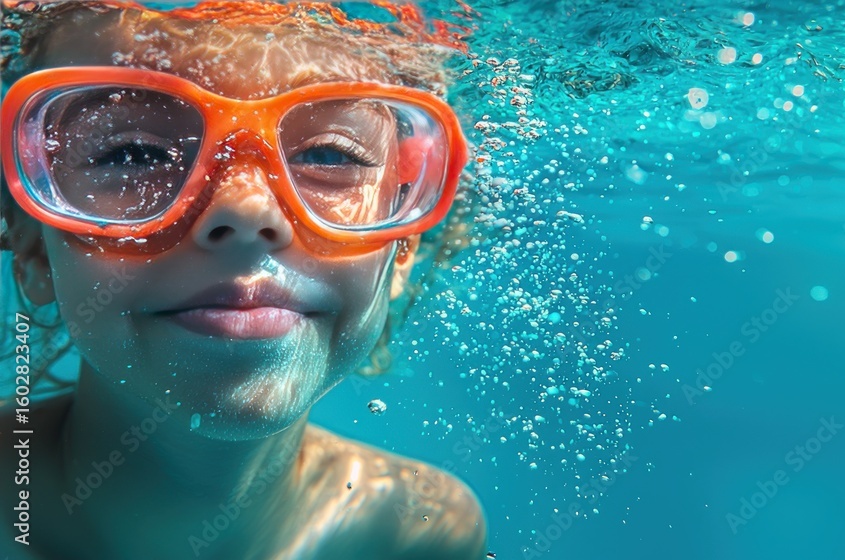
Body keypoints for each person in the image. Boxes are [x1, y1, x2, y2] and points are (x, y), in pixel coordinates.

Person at [0, 1, 487, 558]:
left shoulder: (417, 532)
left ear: (402, 246)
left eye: (330, 153)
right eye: (134, 153)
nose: (247, 209)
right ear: (33, 246)